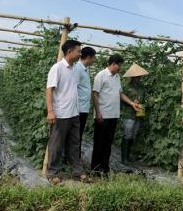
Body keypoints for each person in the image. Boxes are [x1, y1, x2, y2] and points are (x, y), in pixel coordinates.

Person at [45, 40, 87, 183]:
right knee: (56, 145)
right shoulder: (57, 68)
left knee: (75, 144)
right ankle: (52, 173)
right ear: (70, 52)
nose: (80, 54)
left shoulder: (75, 69)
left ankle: (77, 172)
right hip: (61, 114)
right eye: (79, 51)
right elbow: (49, 89)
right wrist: (50, 111)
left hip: (74, 113)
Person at [91, 54, 140, 175]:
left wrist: (131, 103)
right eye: (119, 65)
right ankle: (95, 168)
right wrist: (98, 112)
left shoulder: (117, 77)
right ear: (113, 64)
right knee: (99, 143)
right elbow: (95, 94)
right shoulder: (101, 75)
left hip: (113, 115)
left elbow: (120, 94)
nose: (120, 68)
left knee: (108, 143)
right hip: (103, 115)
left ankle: (105, 167)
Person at [121, 63, 149, 164]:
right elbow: (121, 98)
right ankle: (124, 158)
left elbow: (145, 99)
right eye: (137, 76)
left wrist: (142, 104)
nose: (139, 77)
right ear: (132, 76)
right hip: (128, 114)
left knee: (133, 135)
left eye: (140, 76)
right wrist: (132, 102)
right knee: (127, 135)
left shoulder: (142, 87)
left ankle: (128, 157)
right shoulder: (126, 87)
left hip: (138, 114)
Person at [74, 46, 96, 158]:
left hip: (84, 108)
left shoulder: (85, 69)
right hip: (79, 109)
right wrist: (76, 108)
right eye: (93, 58)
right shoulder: (77, 69)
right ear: (88, 57)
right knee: (76, 135)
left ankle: (75, 158)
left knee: (79, 134)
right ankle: (72, 158)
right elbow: (74, 89)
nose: (94, 60)